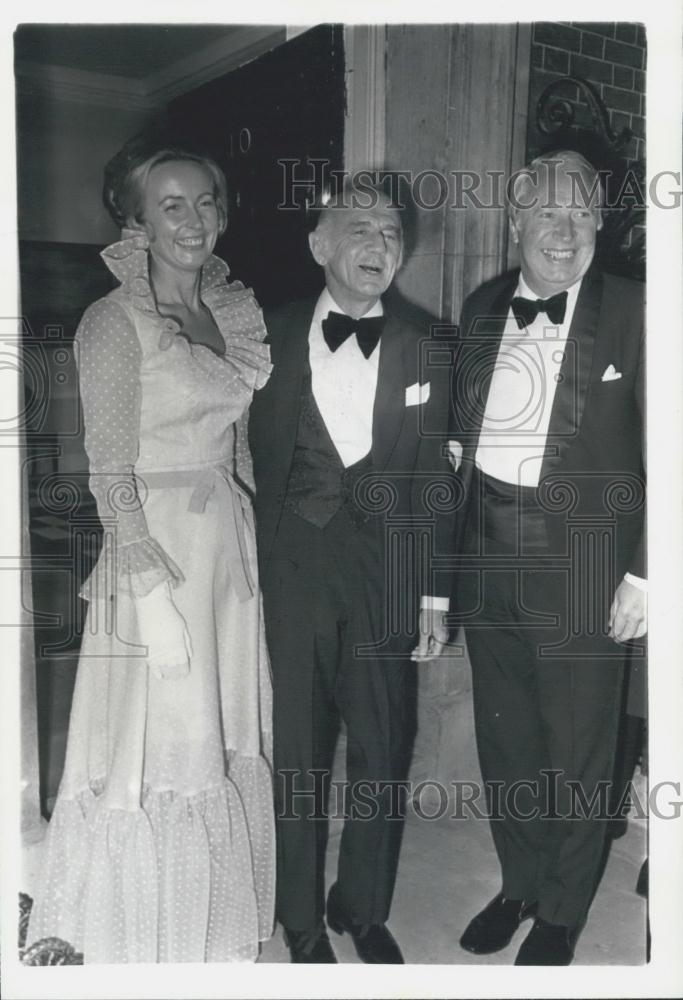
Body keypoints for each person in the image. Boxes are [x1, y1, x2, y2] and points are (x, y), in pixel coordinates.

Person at [27, 134, 275, 963]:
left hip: (224, 551)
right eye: (171, 205)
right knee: (162, 738)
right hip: (157, 553)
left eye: (205, 201)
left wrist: (246, 552)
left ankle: (210, 924)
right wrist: (144, 586)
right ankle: (146, 939)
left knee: (220, 728)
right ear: (133, 219)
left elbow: (234, 445)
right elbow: (109, 463)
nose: (193, 220)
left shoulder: (230, 312)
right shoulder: (112, 320)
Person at [428, 150, 646, 964]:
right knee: (508, 738)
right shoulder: (484, 306)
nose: (564, 231)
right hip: (489, 551)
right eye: (547, 213)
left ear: (600, 224)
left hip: (588, 560)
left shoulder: (637, 309)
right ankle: (519, 881)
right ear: (514, 220)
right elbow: (458, 439)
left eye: (581, 213)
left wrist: (647, 573)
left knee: (579, 746)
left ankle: (560, 909)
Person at [248, 181, 453, 963]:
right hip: (293, 567)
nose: (378, 244)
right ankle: (298, 917)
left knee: (380, 742)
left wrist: (433, 594)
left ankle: (361, 907)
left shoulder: (425, 343)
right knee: (298, 748)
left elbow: (438, 476)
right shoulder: (262, 337)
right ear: (319, 246)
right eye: (359, 228)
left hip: (385, 573)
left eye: (392, 232)